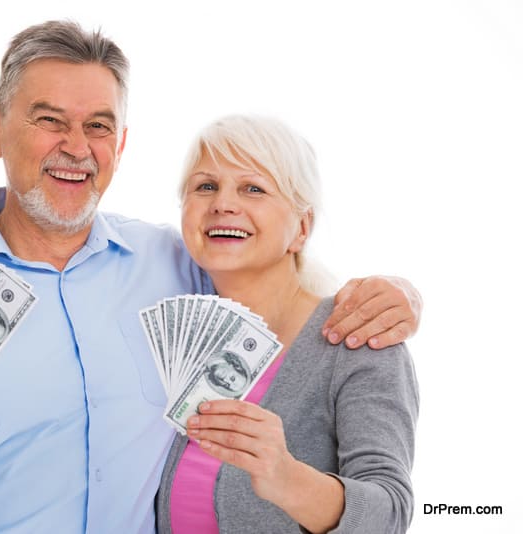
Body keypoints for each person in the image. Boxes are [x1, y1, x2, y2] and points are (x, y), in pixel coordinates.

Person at [0, 20, 422, 534]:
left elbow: (270, 267)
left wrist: (402, 291)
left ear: (122, 143)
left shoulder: (175, 263)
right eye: (49, 119)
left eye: (99, 126)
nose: (76, 147)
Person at [155, 115, 418, 533]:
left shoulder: (357, 339)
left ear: (302, 228)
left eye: (253, 188)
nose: (223, 203)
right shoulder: (173, 333)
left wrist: (284, 476)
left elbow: (390, 513)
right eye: (206, 186)